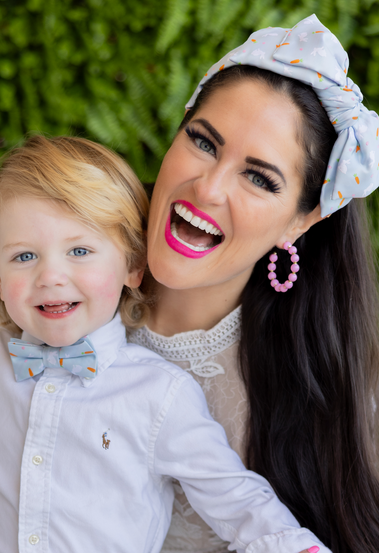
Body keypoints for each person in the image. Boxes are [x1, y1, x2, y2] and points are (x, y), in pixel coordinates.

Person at [0, 135, 325, 553]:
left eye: (80, 250)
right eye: (23, 257)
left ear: (133, 265)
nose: (50, 276)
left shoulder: (159, 394)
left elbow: (235, 498)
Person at [129, 14, 379, 553]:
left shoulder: (329, 404)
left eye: (260, 177)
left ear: (301, 221)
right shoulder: (56, 287)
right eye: (202, 142)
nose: (209, 187)